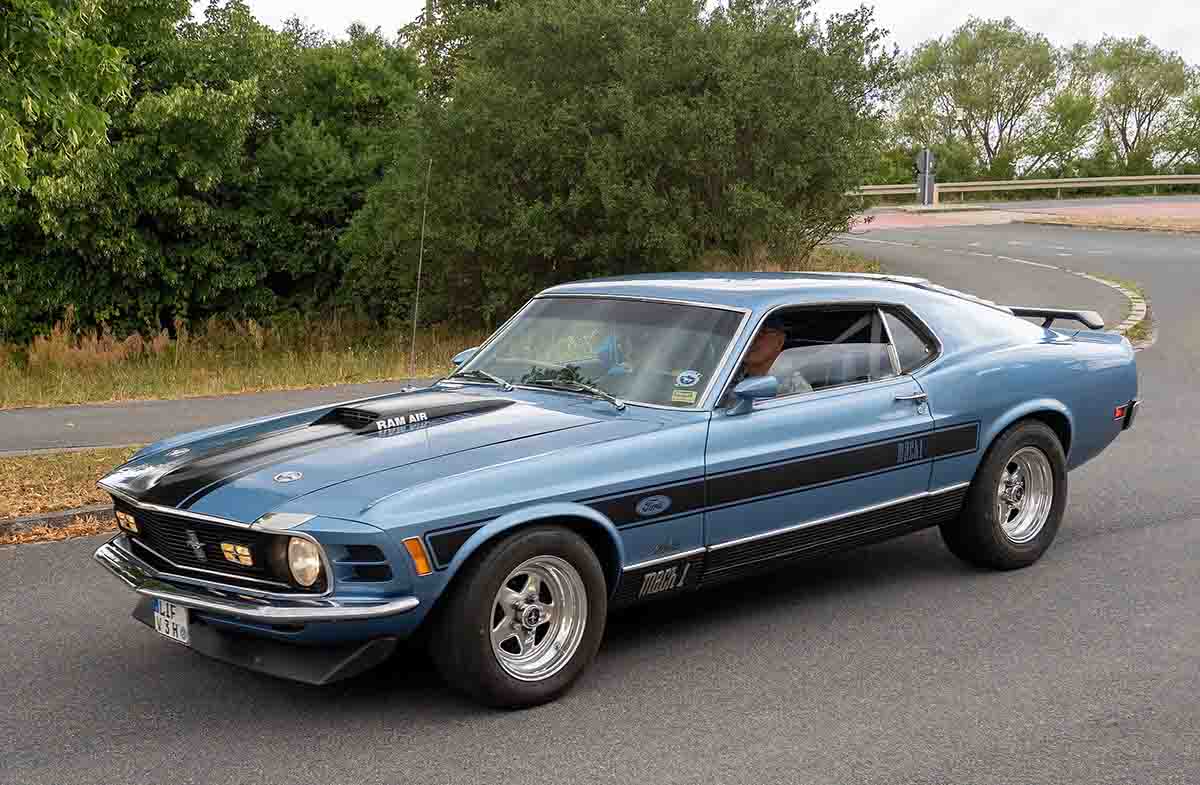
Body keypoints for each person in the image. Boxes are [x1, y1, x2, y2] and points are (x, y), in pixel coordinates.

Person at [725, 314, 812, 404]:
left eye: (763, 333)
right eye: (749, 334)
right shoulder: (728, 374)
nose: (752, 339)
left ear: (780, 342)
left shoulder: (792, 385)